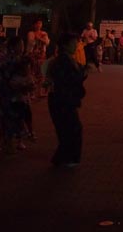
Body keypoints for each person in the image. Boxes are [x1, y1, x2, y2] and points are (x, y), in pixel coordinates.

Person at [45, 33, 87, 167]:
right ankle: (67, 158)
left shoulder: (66, 59)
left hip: (63, 99)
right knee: (70, 129)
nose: (75, 46)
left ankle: (65, 157)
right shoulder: (62, 61)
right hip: (62, 99)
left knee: (69, 129)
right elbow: (67, 80)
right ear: (65, 45)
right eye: (73, 43)